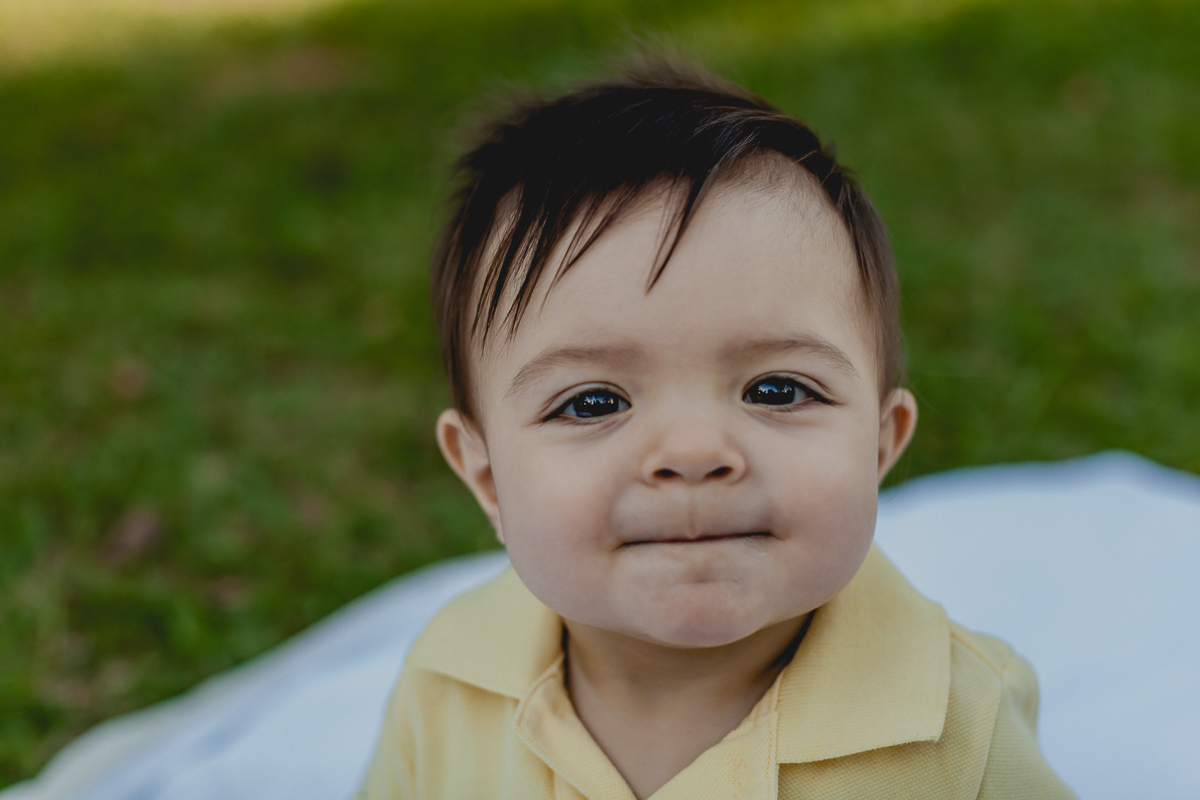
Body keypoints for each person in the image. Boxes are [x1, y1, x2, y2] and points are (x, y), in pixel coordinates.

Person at [355, 60, 1077, 800]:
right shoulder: (451, 683)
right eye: (593, 403)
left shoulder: (958, 735)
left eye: (776, 389)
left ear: (880, 442)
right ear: (485, 477)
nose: (694, 453)